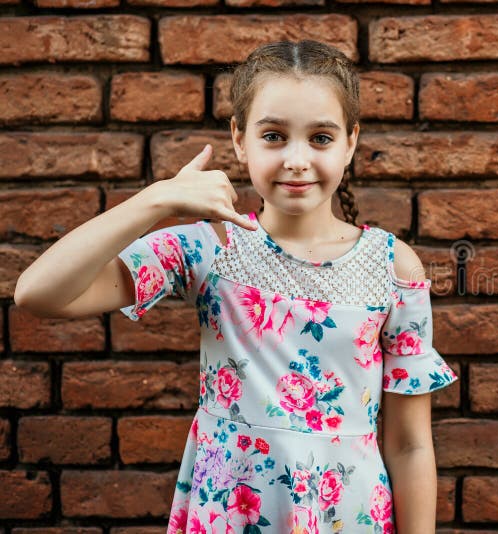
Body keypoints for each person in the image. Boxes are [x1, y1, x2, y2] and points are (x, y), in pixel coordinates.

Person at [13, 39, 459, 533]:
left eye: (320, 138)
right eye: (273, 136)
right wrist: (156, 201)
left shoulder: (394, 266)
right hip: (229, 511)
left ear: (351, 141)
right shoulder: (207, 250)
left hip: (346, 515)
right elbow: (38, 293)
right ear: (239, 139)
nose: (296, 159)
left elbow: (410, 444)